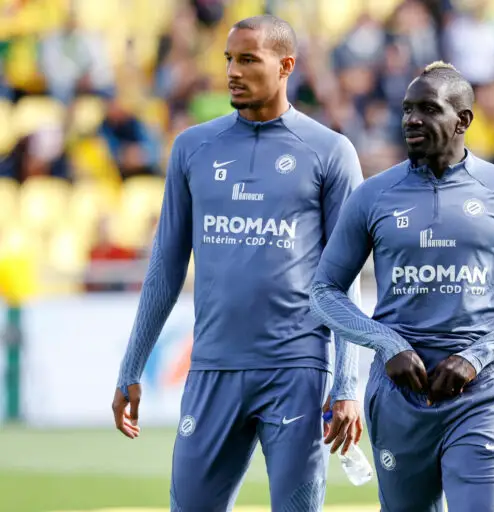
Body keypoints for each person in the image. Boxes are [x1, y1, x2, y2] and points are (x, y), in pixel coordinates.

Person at [111, 15, 365, 512]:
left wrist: (346, 382)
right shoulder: (192, 147)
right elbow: (165, 269)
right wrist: (131, 366)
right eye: (229, 59)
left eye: (248, 59)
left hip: (295, 371)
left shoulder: (330, 152)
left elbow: (344, 281)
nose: (232, 71)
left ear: (286, 66)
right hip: (212, 368)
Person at [309, 61, 494, 511]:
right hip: (398, 398)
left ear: (462, 120)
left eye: (428, 109)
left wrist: (478, 356)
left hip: (481, 395)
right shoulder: (372, 195)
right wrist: (386, 343)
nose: (411, 120)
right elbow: (324, 291)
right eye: (407, 109)